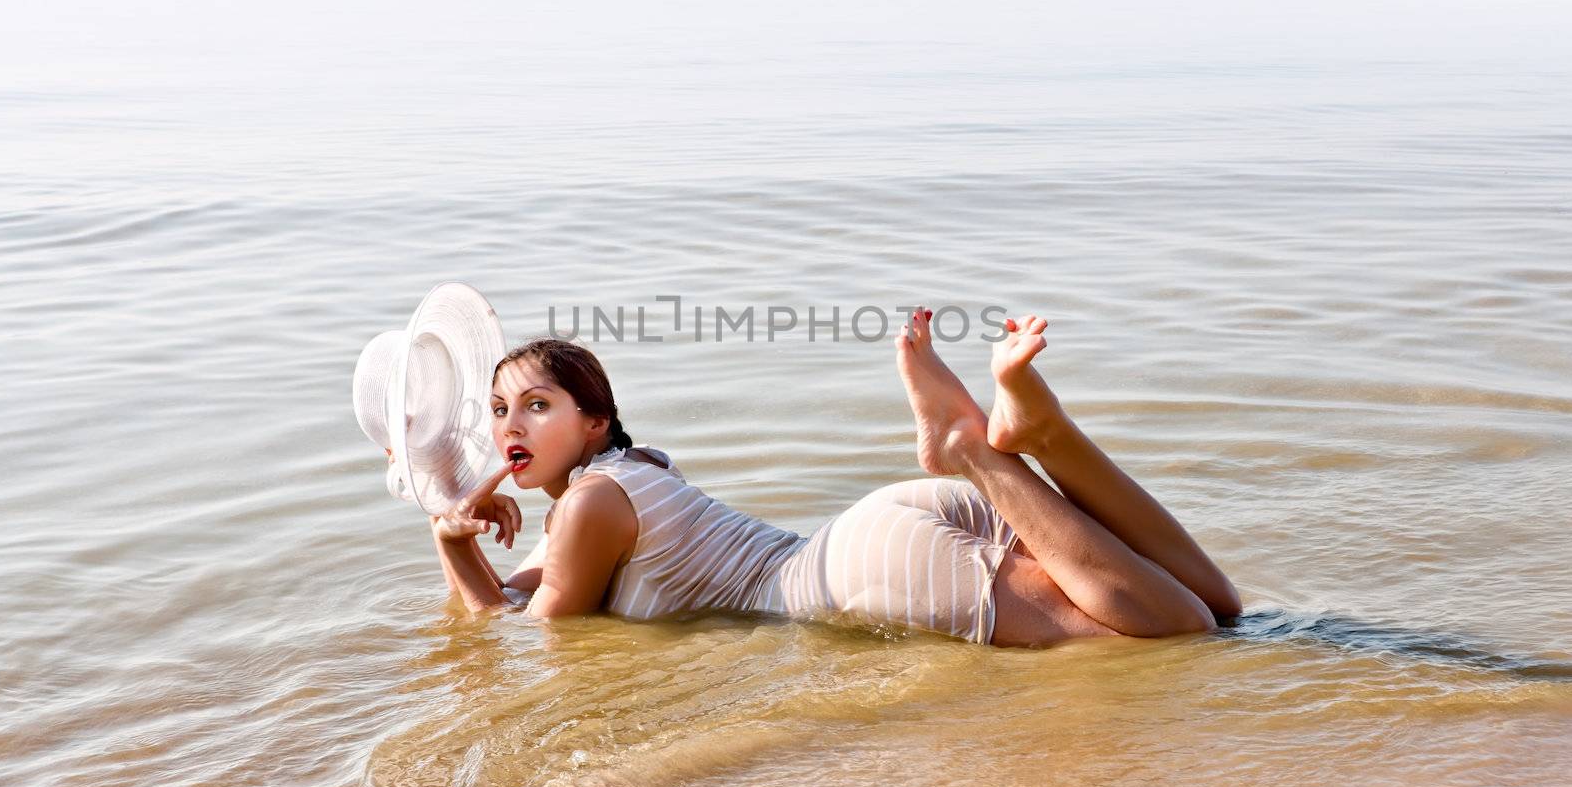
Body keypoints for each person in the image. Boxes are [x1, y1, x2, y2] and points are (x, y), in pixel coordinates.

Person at [415, 310, 1242, 647]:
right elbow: (529, 588)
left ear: (594, 423)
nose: (509, 427)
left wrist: (453, 552)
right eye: (497, 411)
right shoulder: (633, 471)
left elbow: (536, 634)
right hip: (882, 530)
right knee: (1221, 609)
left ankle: (977, 454)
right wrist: (462, 526)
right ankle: (1044, 442)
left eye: (536, 406)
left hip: (858, 573)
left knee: (1182, 637)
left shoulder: (593, 504)